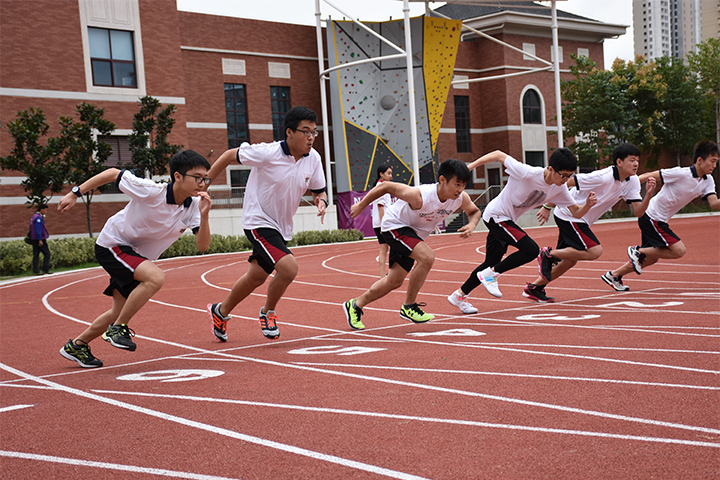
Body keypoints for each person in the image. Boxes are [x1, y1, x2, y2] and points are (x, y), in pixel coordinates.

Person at [57, 150, 212, 368]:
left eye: (205, 178)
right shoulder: (151, 191)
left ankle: (77, 345)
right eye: (197, 177)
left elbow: (203, 246)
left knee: (117, 310)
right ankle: (118, 328)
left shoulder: (194, 206)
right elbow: (112, 173)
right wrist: (75, 193)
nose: (202, 183)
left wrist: (204, 216)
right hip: (113, 243)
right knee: (155, 277)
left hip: (135, 256)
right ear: (178, 176)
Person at [206, 106, 328, 342]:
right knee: (289, 268)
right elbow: (230, 155)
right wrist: (204, 183)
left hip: (281, 227)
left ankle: (220, 311)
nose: (311, 137)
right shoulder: (267, 153)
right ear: (290, 132)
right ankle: (267, 312)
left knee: (256, 277)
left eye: (314, 132)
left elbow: (319, 189)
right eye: (306, 131)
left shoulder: (313, 158)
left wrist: (321, 201)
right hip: (258, 220)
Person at [447, 148, 596, 311]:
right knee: (531, 250)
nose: (566, 179)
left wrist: (587, 205)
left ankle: (459, 295)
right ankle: (491, 275)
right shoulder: (527, 173)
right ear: (551, 169)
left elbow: (575, 211)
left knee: (491, 262)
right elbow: (498, 154)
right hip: (496, 215)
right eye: (564, 175)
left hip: (507, 220)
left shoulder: (559, 189)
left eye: (570, 176)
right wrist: (468, 168)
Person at [343, 158, 482, 329]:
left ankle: (355, 305)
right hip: (395, 226)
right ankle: (409, 306)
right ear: (443, 180)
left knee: (394, 281)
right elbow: (385, 186)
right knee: (427, 257)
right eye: (457, 184)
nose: (460, 189)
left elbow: (474, 211)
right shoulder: (420, 195)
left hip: (413, 235)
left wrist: (472, 224)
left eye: (464, 185)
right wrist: (361, 205)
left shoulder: (460, 199)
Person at [525, 143, 656, 302]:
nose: (636, 164)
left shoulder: (632, 181)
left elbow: (638, 212)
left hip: (581, 219)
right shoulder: (603, 176)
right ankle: (547, 254)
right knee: (595, 251)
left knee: (569, 260)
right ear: (619, 162)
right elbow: (566, 181)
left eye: (637, 160)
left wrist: (648, 195)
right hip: (570, 215)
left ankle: (535, 287)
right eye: (632, 160)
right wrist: (548, 205)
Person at [602, 140, 719, 291]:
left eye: (716, 162)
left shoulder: (707, 180)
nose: (714, 166)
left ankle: (614, 275)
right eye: (713, 161)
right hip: (651, 216)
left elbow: (714, 204)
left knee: (651, 258)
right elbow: (651, 175)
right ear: (700, 160)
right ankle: (638, 250)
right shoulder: (681, 173)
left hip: (658, 219)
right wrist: (626, 185)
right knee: (678, 250)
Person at [370, 164, 394, 277]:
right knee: (387, 248)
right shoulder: (381, 188)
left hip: (381, 223)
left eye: (391, 173)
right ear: (381, 174)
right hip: (382, 223)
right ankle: (384, 275)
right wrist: (384, 225)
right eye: (388, 173)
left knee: (384, 248)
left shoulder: (382, 186)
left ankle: (384, 275)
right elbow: (381, 207)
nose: (390, 176)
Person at [29, 204, 51, 275]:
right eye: (45, 210)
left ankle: (36, 271)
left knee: (36, 255)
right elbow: (38, 229)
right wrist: (40, 239)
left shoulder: (33, 217)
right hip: (39, 238)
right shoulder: (38, 218)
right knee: (47, 254)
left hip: (33, 239)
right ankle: (45, 269)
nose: (46, 211)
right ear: (41, 209)